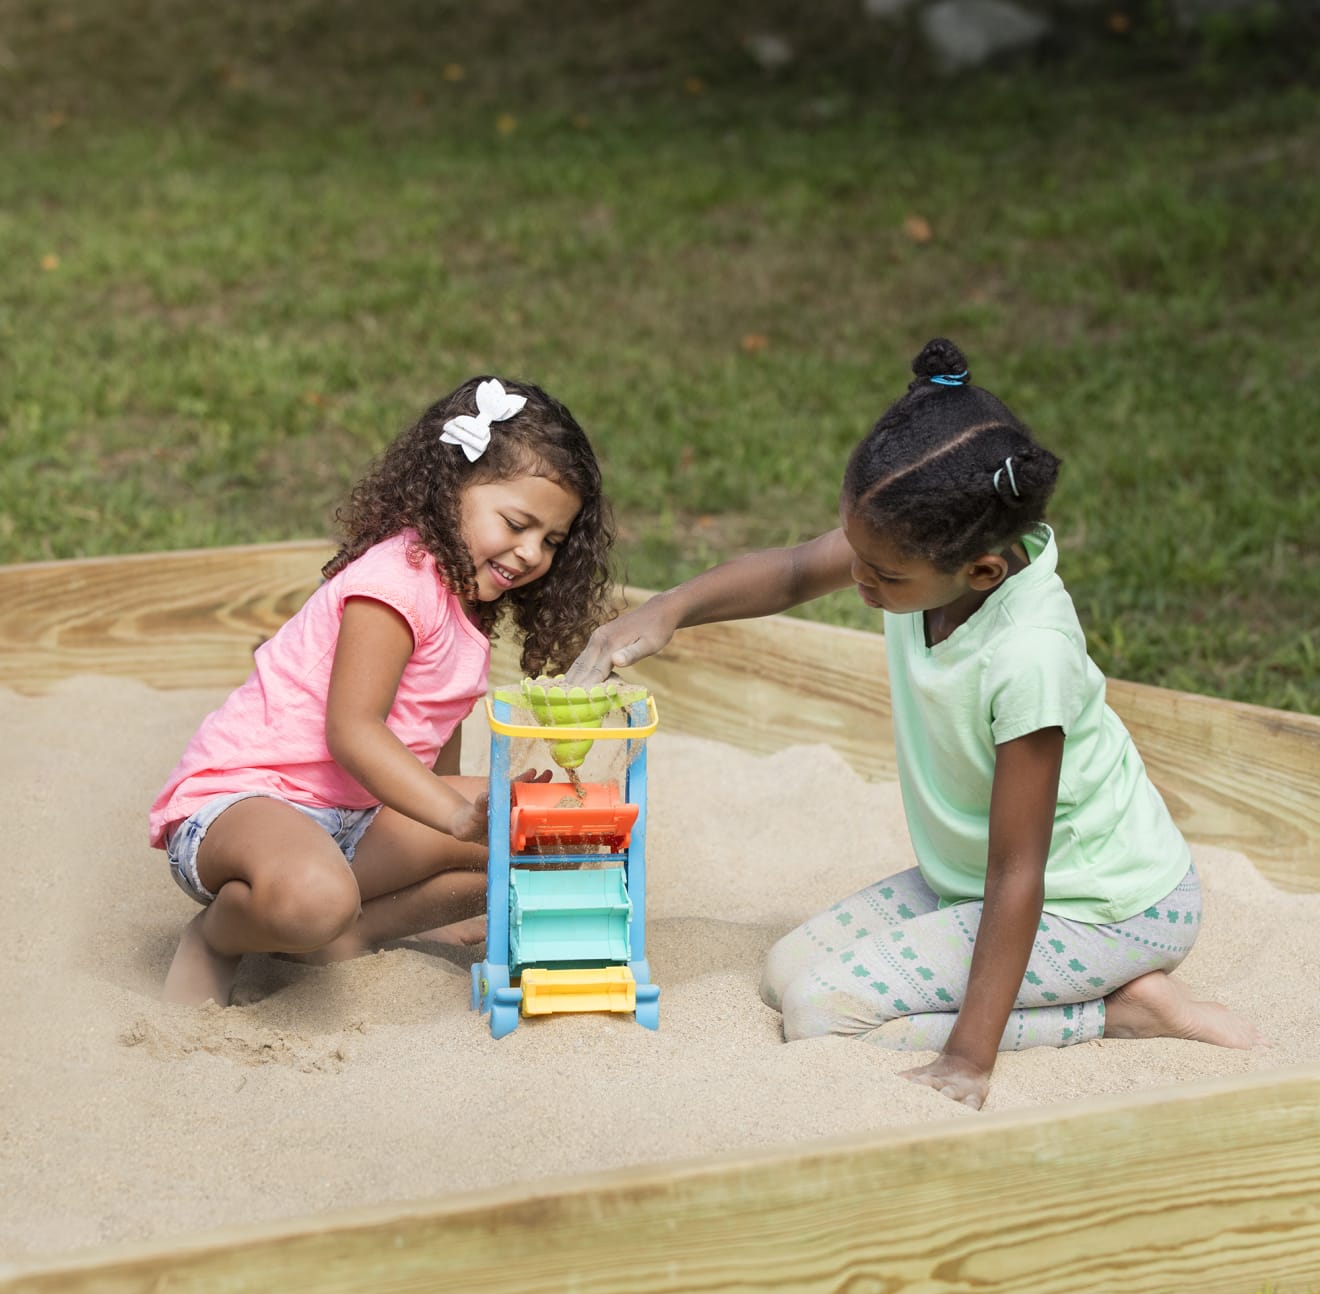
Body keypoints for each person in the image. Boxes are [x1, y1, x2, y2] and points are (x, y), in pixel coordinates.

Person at [566, 338, 1258, 1109]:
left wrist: (968, 1056)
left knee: (822, 1013)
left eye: (881, 573)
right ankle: (1089, 1002)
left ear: (983, 571)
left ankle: (1119, 1011)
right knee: (784, 973)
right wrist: (668, 611)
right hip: (974, 879)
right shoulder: (918, 550)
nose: (855, 578)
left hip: (1104, 904)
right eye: (855, 551)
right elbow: (796, 570)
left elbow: (1018, 873)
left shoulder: (1029, 656)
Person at [152, 376, 615, 1007]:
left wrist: (456, 824)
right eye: (517, 523)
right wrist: (453, 818)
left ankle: (341, 936)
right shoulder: (395, 583)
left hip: (356, 823)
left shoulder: (466, 607)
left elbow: (436, 738)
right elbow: (354, 731)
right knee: (316, 897)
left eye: (553, 541)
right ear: (452, 486)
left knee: (549, 832)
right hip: (250, 804)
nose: (531, 552)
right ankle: (218, 936)